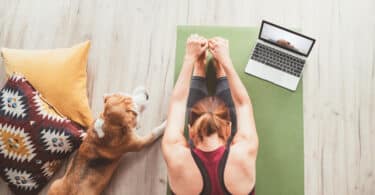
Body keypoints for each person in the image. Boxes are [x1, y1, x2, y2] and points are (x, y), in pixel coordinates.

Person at [162, 34, 258, 195]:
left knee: (207, 115)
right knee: (233, 119)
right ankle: (220, 71)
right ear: (228, 129)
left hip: (193, 163)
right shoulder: (244, 152)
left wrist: (190, 59)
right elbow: (242, 104)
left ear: (190, 130)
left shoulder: (175, 155)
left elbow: (179, 102)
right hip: (231, 165)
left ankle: (199, 67)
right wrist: (226, 62)